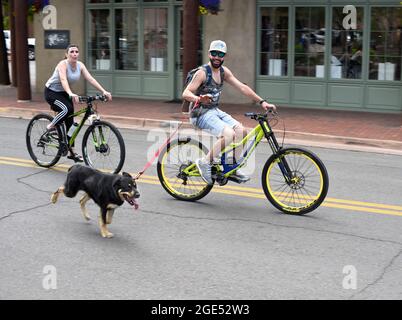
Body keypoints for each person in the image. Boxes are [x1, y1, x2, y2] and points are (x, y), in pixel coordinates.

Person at [182, 40, 277, 185]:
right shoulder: (202, 73)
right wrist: (199, 98)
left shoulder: (223, 72)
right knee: (229, 134)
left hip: (214, 110)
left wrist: (262, 102)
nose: (216, 57)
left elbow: (242, 88)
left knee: (242, 131)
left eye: (220, 54)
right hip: (200, 113)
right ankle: (205, 162)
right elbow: (186, 93)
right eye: (214, 53)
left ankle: (229, 166)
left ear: (224, 56)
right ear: (209, 54)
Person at [44, 44, 112, 162]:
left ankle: (72, 152)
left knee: (71, 121)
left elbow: (91, 79)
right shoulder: (62, 64)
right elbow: (63, 79)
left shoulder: (80, 65)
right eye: (72, 52)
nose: (74, 54)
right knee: (66, 109)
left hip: (65, 92)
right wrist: (71, 93)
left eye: (76, 52)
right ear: (67, 54)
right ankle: (51, 126)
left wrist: (103, 91)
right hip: (52, 92)